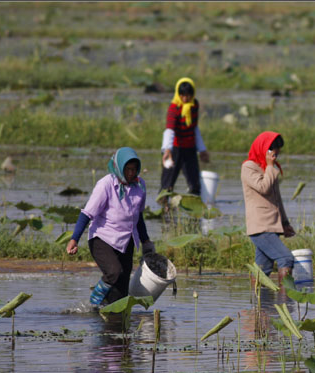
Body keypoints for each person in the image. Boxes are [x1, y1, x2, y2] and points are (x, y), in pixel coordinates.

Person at [66, 147, 155, 307]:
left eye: (134, 169)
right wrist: (74, 239)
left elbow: (138, 217)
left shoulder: (140, 186)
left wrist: (146, 241)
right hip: (103, 239)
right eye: (127, 169)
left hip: (126, 241)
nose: (130, 173)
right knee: (114, 272)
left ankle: (111, 319)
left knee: (121, 290)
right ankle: (91, 305)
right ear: (119, 167)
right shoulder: (106, 185)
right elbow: (87, 213)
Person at [241, 131, 296, 284]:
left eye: (277, 153)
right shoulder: (249, 167)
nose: (275, 156)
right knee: (286, 258)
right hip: (260, 227)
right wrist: (270, 167)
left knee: (262, 269)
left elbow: (277, 199)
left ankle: (260, 306)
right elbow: (263, 188)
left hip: (272, 225)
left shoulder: (268, 169)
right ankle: (285, 300)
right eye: (273, 151)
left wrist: (285, 223)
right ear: (264, 149)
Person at [160, 77, 210, 196]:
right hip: (175, 149)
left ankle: (194, 208)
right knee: (167, 185)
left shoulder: (194, 105)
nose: (185, 98)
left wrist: (202, 150)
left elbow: (194, 128)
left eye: (188, 95)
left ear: (192, 95)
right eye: (182, 95)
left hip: (190, 148)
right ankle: (164, 206)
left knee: (195, 185)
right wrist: (167, 150)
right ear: (178, 94)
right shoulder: (174, 108)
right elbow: (170, 130)